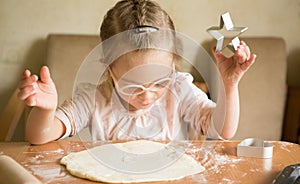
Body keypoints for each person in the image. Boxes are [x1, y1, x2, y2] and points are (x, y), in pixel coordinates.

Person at [18, 0, 256, 145]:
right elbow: (40, 136)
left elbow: (223, 130)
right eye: (132, 85)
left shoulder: (179, 91)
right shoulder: (93, 100)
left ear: (173, 65)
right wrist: (46, 111)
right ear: (108, 68)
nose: (147, 95)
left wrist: (229, 85)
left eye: (159, 82)